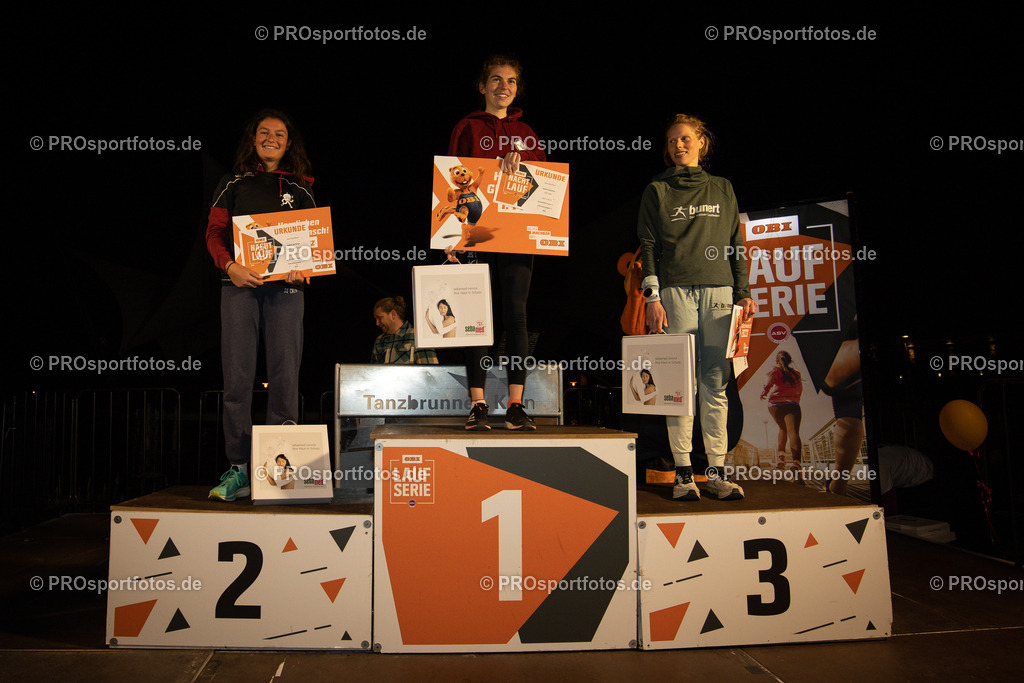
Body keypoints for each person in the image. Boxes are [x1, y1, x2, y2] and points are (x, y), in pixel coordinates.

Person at [638, 114, 757, 501]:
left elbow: (735, 244)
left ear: (702, 143)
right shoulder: (657, 189)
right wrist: (652, 297)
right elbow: (649, 245)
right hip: (675, 293)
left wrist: (743, 291)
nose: (678, 146)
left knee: (715, 385)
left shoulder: (723, 188)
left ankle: (717, 474)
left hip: (721, 295)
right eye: (672, 141)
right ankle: (684, 475)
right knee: (678, 388)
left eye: (686, 139)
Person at [205, 109, 315, 502]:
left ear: (289, 143)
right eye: (264, 132)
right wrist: (230, 266)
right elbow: (215, 232)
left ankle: (279, 471)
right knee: (237, 378)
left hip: (285, 292)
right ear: (253, 139)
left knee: (286, 376)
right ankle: (239, 469)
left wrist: (304, 269)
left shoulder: (300, 187)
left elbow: (312, 244)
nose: (271, 138)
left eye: (279, 134)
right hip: (239, 287)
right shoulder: (232, 182)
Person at [447, 55, 545, 431]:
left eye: (511, 81)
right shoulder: (466, 127)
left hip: (517, 236)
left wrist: (526, 165)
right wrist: (451, 237)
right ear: (482, 86)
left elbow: (544, 184)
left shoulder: (529, 133)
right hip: (477, 232)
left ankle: (517, 405)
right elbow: (451, 178)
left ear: (517, 89)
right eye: (496, 80)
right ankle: (479, 405)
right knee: (475, 318)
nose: (504, 86)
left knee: (516, 316)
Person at [760, 350, 804, 478]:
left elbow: (768, 383)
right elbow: (799, 390)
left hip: (775, 405)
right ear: (789, 361)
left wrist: (764, 393)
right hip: (792, 404)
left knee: (782, 428)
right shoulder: (797, 374)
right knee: (793, 432)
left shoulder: (775, 371)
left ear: (777, 361)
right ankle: (796, 463)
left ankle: (781, 459)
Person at [371, 296, 438, 364]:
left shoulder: (418, 337)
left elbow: (430, 372)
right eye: (376, 319)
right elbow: (372, 371)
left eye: (379, 318)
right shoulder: (379, 341)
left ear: (393, 314)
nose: (377, 323)